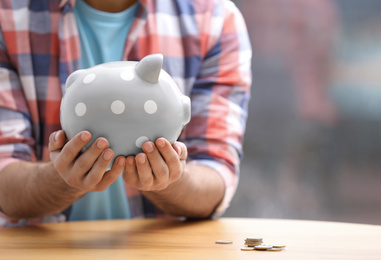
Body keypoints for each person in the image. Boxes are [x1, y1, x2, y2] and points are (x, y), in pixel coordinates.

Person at [0, 0, 252, 225]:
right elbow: (3, 180)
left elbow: (216, 180)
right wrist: (60, 179)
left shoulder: (217, 20)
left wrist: (170, 179)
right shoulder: (6, 15)